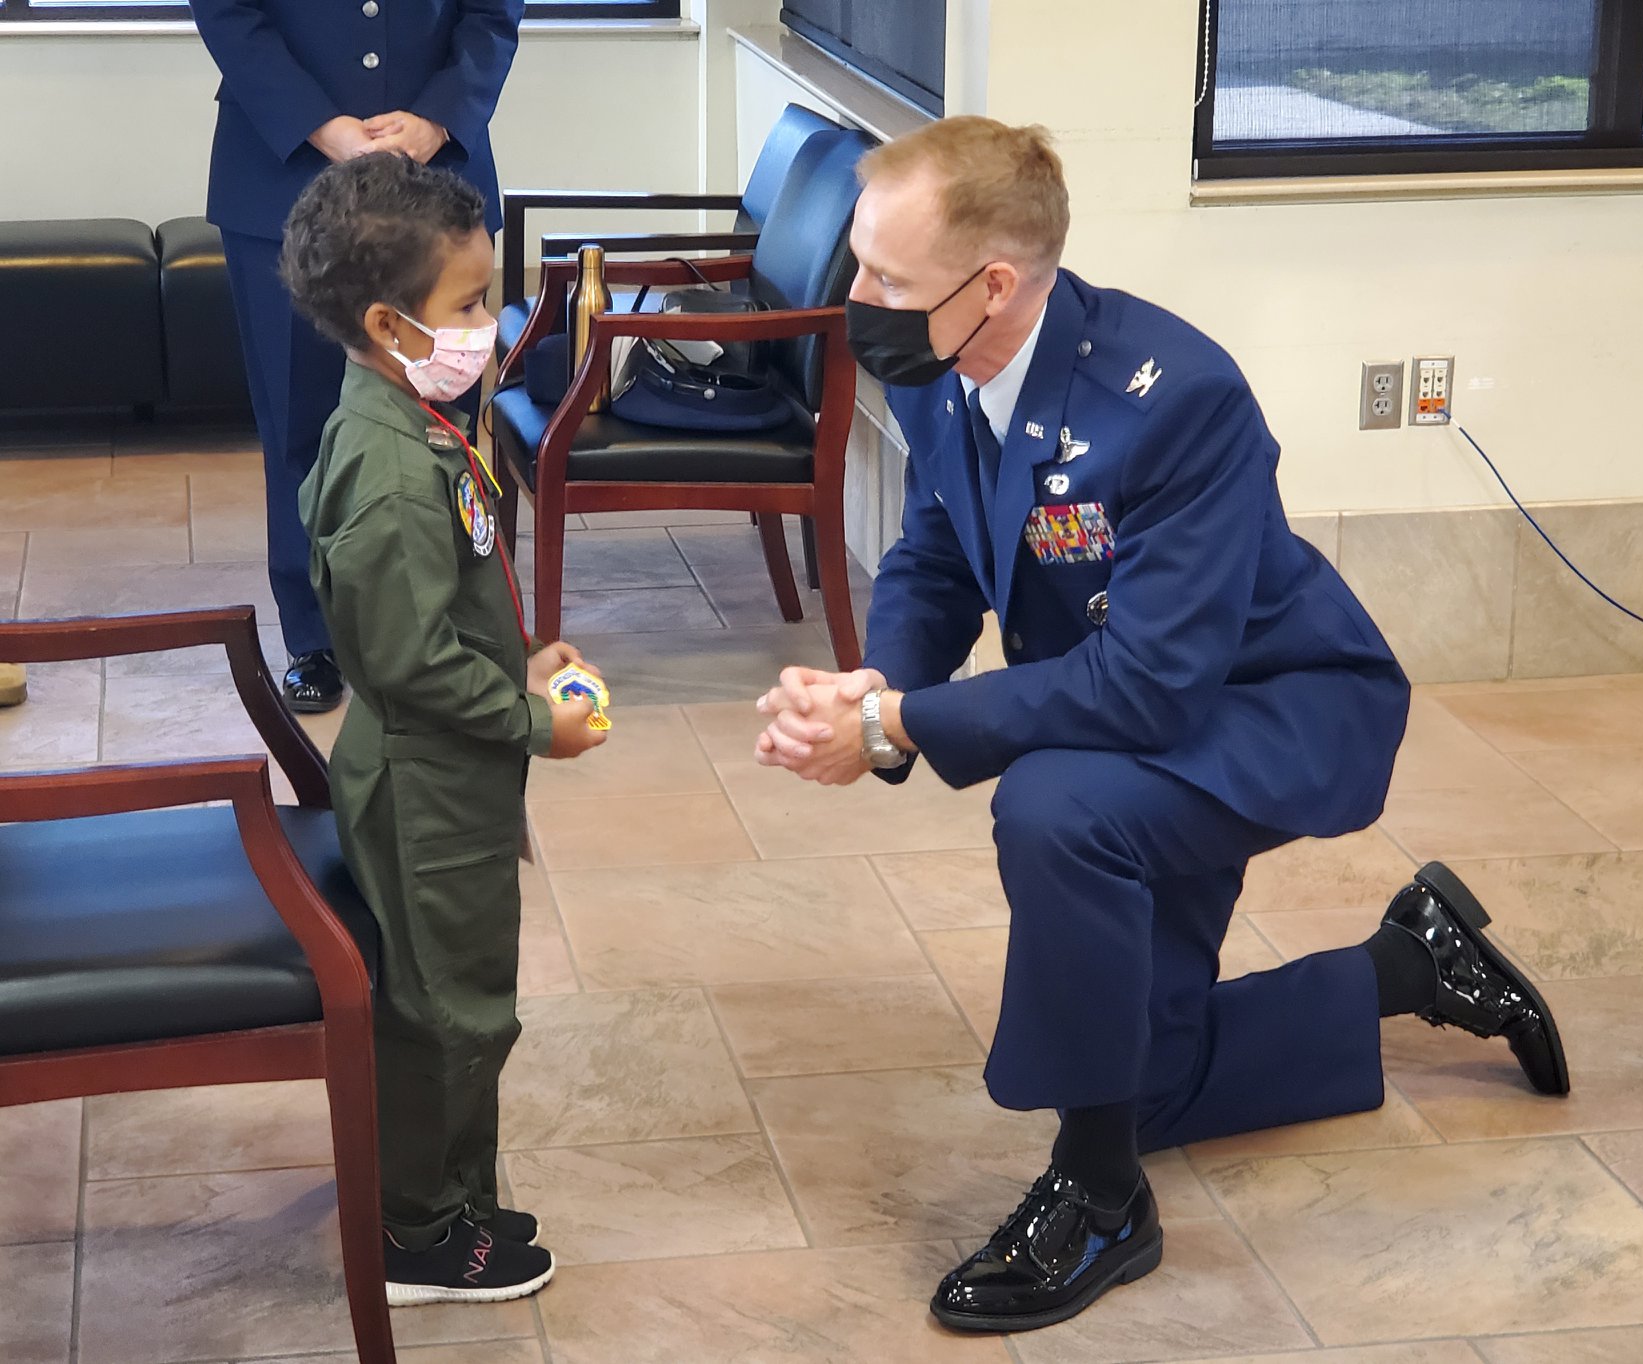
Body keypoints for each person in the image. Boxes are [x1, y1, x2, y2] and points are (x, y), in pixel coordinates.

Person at [754, 117, 1570, 1334]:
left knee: (1055, 807)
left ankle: (1097, 1197)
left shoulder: (1176, 397)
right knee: (1150, 1068)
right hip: (1137, 703)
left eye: (882, 276)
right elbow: (937, 552)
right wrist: (871, 689)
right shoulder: (946, 366)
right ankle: (1412, 962)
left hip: (1273, 704)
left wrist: (908, 722)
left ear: (993, 286)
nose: (855, 296)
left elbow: (1147, 687)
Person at [283, 152, 608, 1305]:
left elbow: (440, 608)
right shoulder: (385, 467)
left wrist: (519, 658)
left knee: (467, 992)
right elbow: (405, 663)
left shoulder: (419, 411)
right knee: (444, 1012)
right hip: (428, 782)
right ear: (387, 322)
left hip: (450, 768)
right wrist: (529, 719)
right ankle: (418, 1235)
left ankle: (456, 1191)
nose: (485, 324)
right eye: (467, 305)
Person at [191, 0, 525, 713]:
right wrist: (329, 129)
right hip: (281, 168)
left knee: (441, 424)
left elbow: (494, 11)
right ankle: (315, 638)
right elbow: (227, 11)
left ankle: (453, 615)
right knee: (298, 423)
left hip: (437, 167)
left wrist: (437, 118)